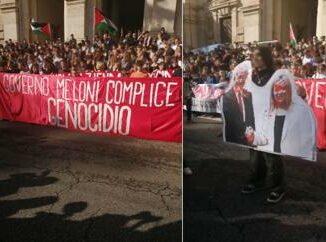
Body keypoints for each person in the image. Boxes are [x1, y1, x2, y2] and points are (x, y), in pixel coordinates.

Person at [241, 46, 286, 204]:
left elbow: (284, 98)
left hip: (271, 121)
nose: (253, 58)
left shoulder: (276, 75)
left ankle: (277, 187)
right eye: (252, 56)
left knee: (272, 156)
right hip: (253, 120)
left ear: (265, 57)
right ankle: (257, 181)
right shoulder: (251, 76)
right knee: (255, 155)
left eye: (257, 55)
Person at [222, 63, 255, 145]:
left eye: (244, 78)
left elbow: (250, 116)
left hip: (249, 136)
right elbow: (230, 120)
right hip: (234, 137)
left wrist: (250, 131)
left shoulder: (248, 94)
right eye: (240, 77)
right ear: (234, 77)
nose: (242, 80)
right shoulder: (227, 97)